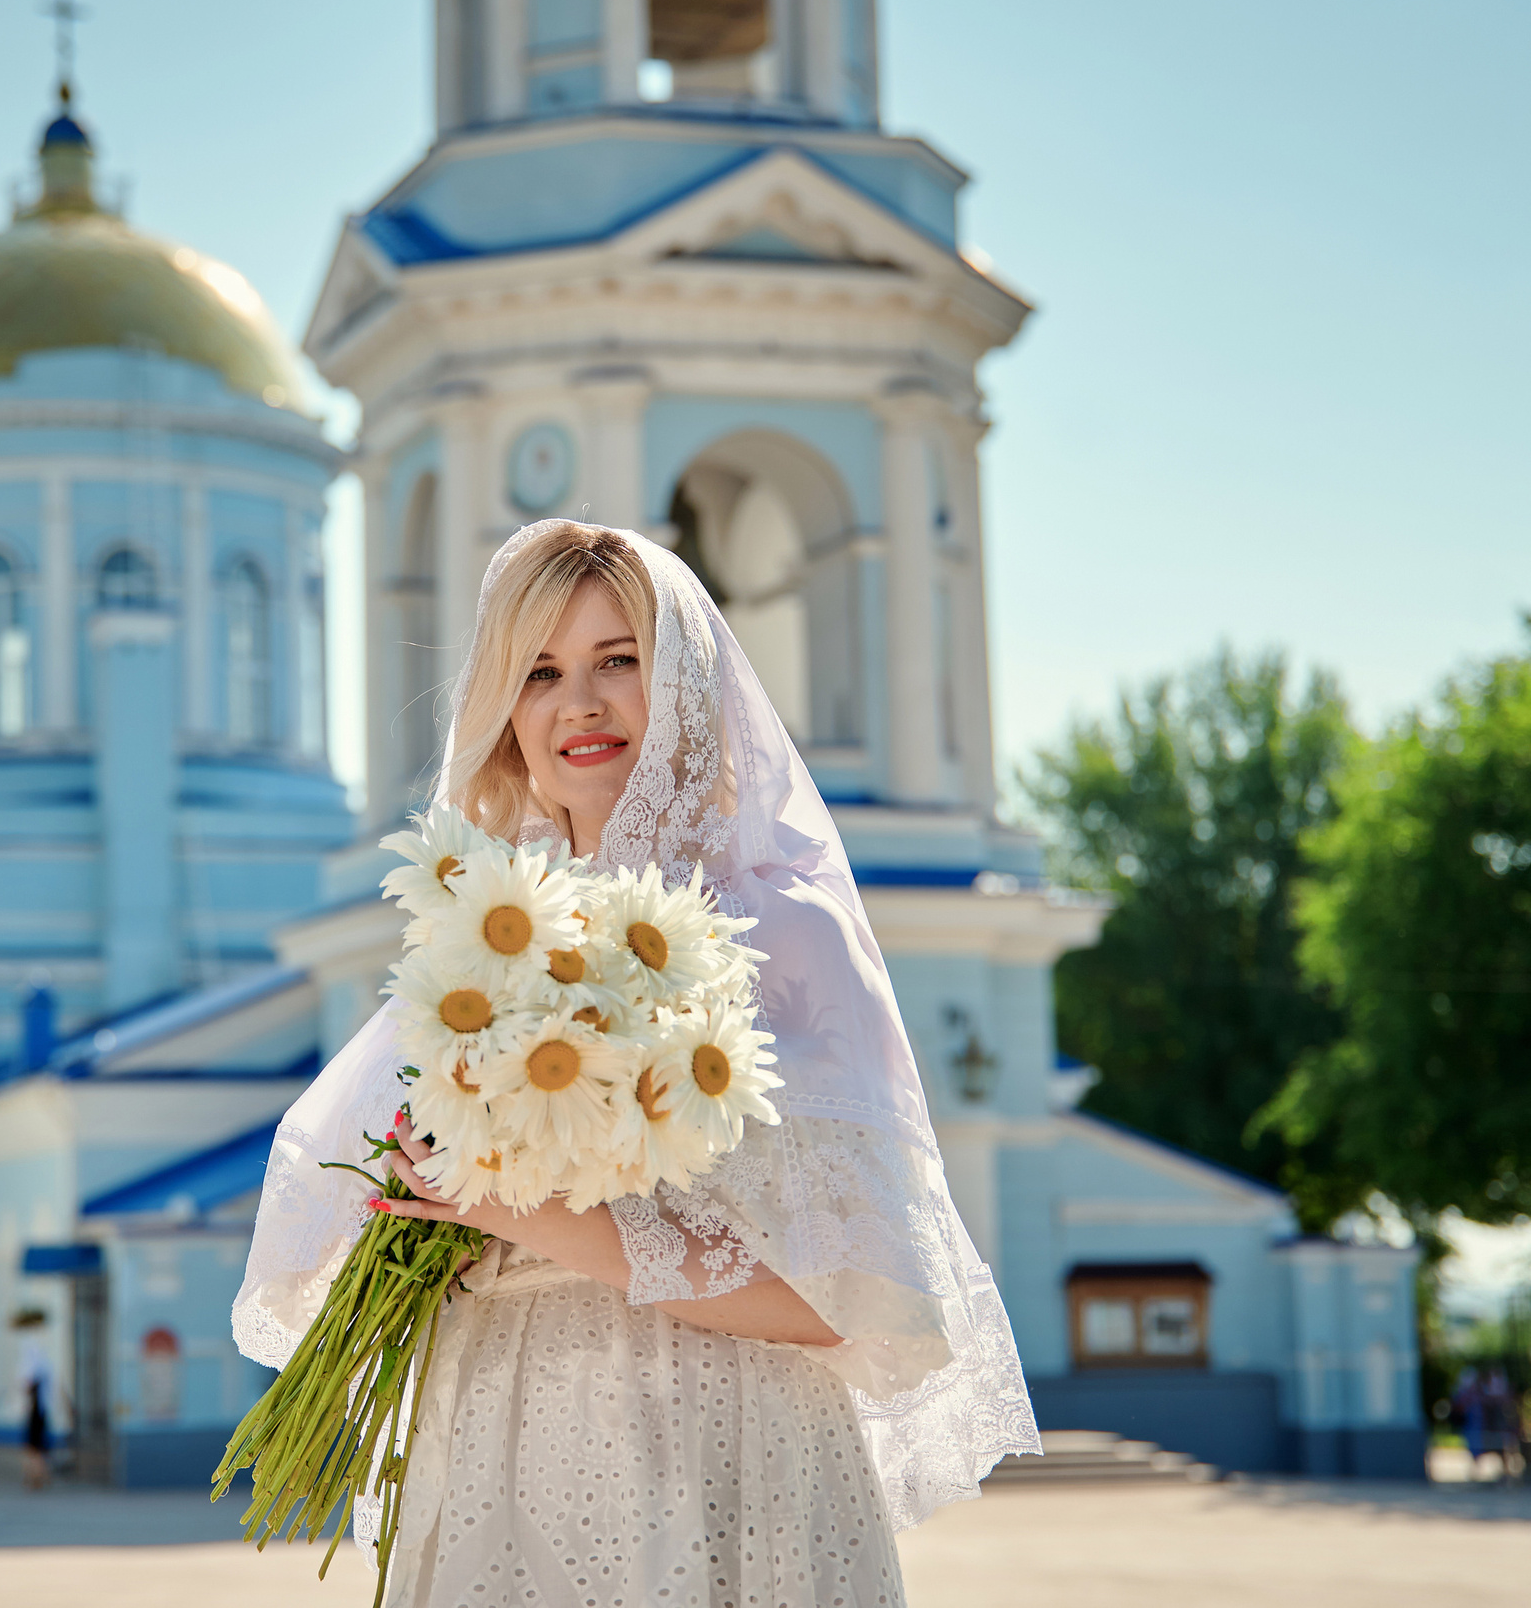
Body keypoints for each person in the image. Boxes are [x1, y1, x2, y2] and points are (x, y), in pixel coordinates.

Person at [236, 521, 1037, 1606]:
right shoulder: (479, 937)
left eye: (620, 660)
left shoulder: (783, 925)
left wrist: (519, 1214)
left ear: (687, 687)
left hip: (721, 1440)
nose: (581, 703)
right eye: (540, 671)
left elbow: (845, 1301)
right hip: (493, 1441)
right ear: (504, 713)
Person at [13, 1305, 58, 1491]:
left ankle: (36, 1477)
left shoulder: (31, 1350)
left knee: (33, 1446)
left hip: (36, 1407)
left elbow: (28, 1377)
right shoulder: (39, 1351)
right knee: (36, 1445)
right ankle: (39, 1475)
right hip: (41, 1406)